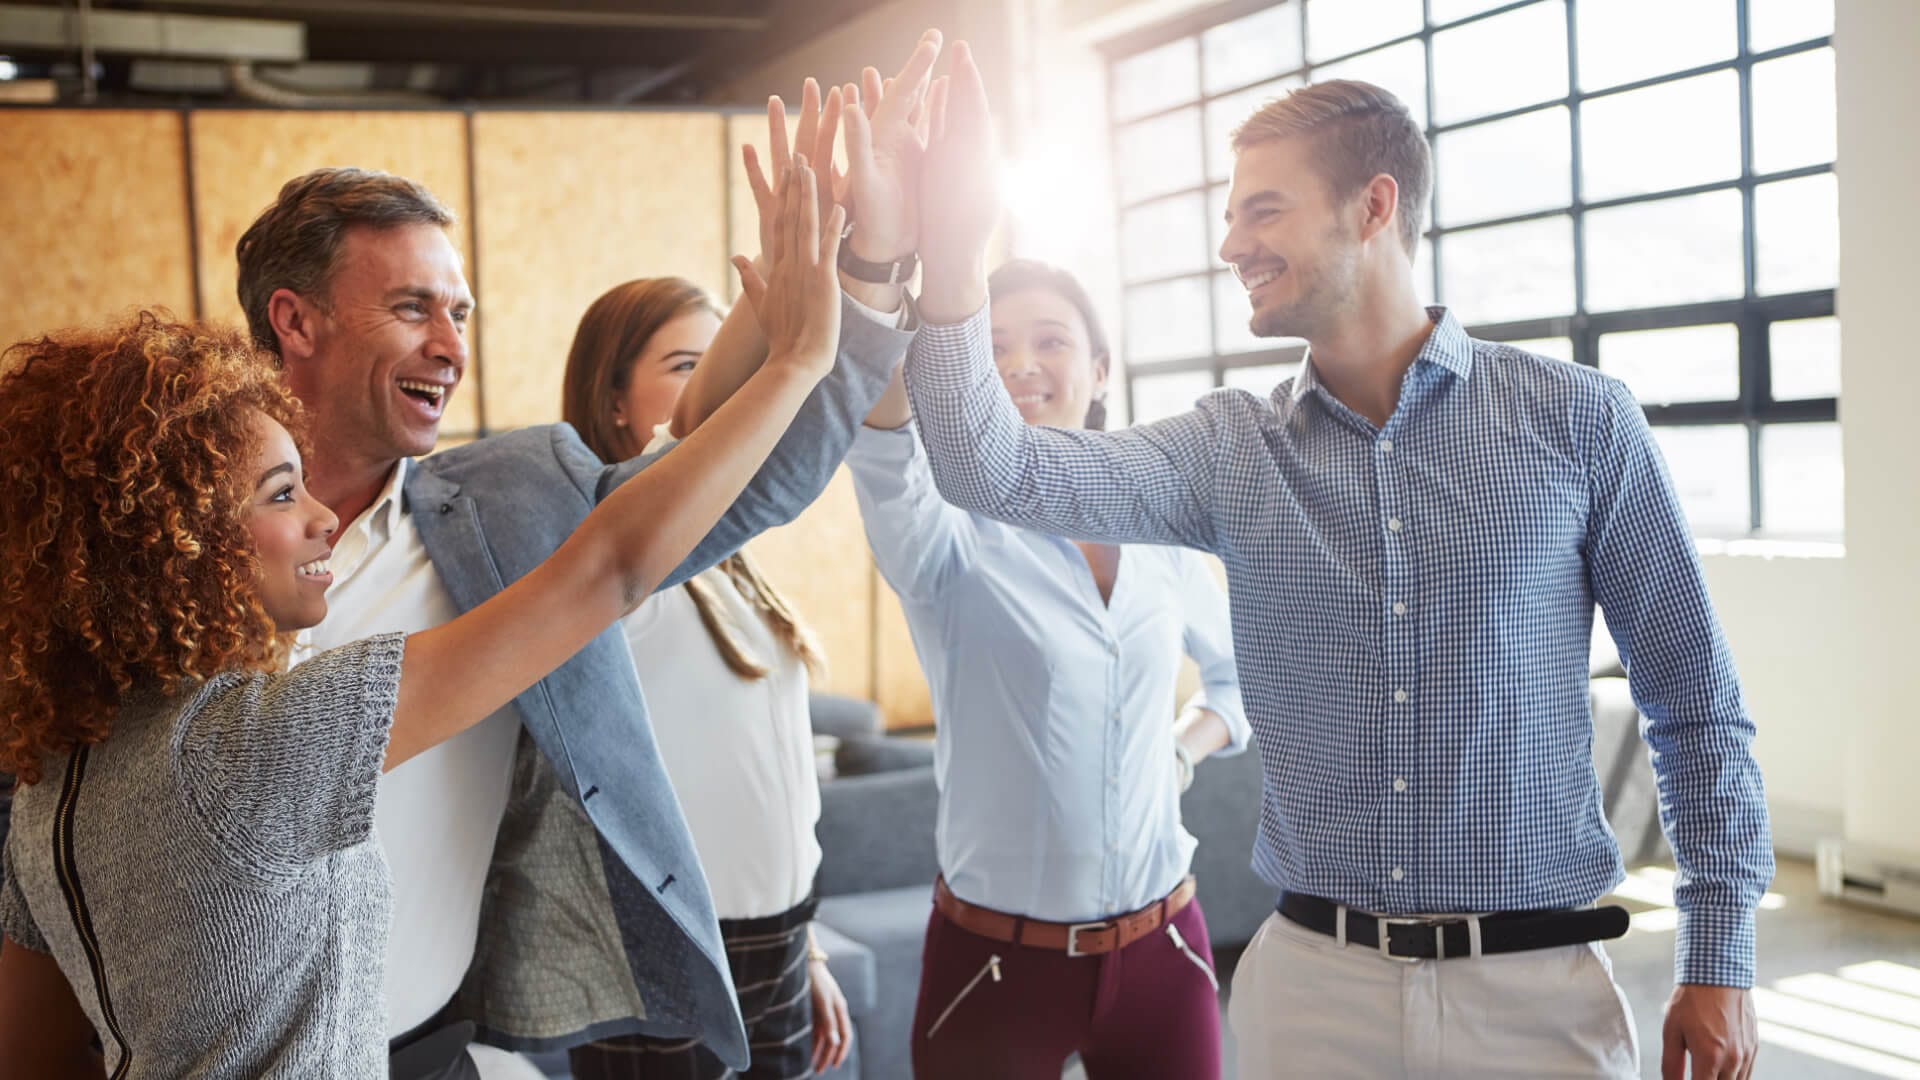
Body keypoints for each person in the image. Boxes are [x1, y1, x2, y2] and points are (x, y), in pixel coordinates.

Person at [904, 59, 1770, 1080]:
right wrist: (951, 249)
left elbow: (1693, 700)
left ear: (1374, 207)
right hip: (1314, 991)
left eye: (1263, 210)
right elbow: (988, 467)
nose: (1231, 245)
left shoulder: (1579, 422)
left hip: (1536, 995)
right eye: (1230, 217)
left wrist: (1721, 955)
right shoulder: (1228, 449)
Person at [0, 160, 850, 1078]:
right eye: (281, 492)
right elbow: (606, 569)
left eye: (460, 314)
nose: (319, 517)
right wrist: (798, 358)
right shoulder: (249, 747)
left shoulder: (55, 778)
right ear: (176, 539)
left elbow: (28, 1050)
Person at [234, 32, 942, 1078]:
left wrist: (868, 265)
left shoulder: (513, 507)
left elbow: (756, 473)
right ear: (295, 321)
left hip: (427, 1049)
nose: (452, 347)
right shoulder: (166, 542)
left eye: (460, 313)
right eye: (413, 308)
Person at [842, 256, 1247, 1080]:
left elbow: (1239, 681)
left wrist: (1181, 749)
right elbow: (883, 451)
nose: (1021, 364)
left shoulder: (1159, 529)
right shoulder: (946, 533)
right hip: (996, 964)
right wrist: (886, 279)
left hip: (1164, 947)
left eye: (1050, 341)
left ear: (1099, 369)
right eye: (991, 347)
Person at [556, 274, 852, 1080]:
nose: (723, 384)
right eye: (689, 364)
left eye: (728, 361)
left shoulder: (732, 559)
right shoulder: (594, 549)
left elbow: (778, 776)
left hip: (777, 939)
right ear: (615, 401)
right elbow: (683, 443)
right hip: (663, 948)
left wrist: (808, 948)